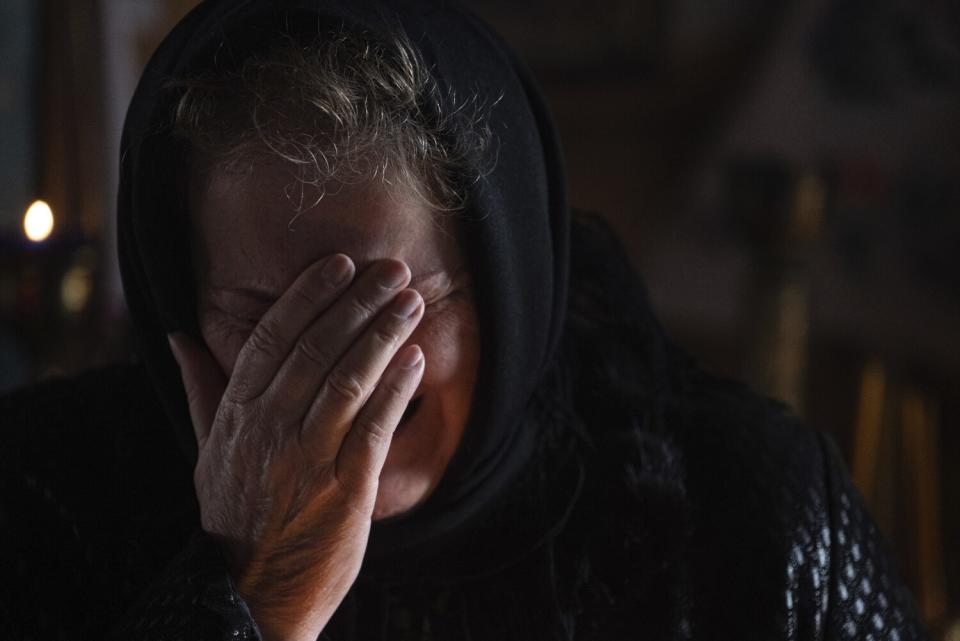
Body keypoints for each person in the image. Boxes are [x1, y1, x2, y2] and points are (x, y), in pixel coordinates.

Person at [0, 1, 930, 639]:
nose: (338, 374)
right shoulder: (45, 498)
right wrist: (254, 593)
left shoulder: (753, 522)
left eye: (387, 304)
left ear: (503, 289)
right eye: (263, 316)